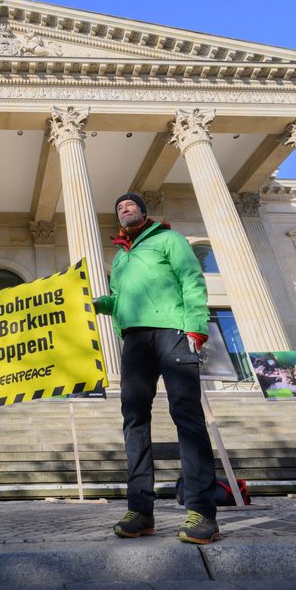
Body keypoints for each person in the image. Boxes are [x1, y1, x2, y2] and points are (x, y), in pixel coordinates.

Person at [93, 192, 220, 544]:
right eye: (118, 207)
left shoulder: (169, 239)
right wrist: (94, 303)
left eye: (129, 204)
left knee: (187, 415)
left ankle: (202, 511)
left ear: (143, 211)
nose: (123, 208)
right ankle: (140, 510)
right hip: (135, 340)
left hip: (173, 331)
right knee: (134, 420)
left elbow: (191, 277)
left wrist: (197, 324)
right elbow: (119, 299)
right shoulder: (119, 259)